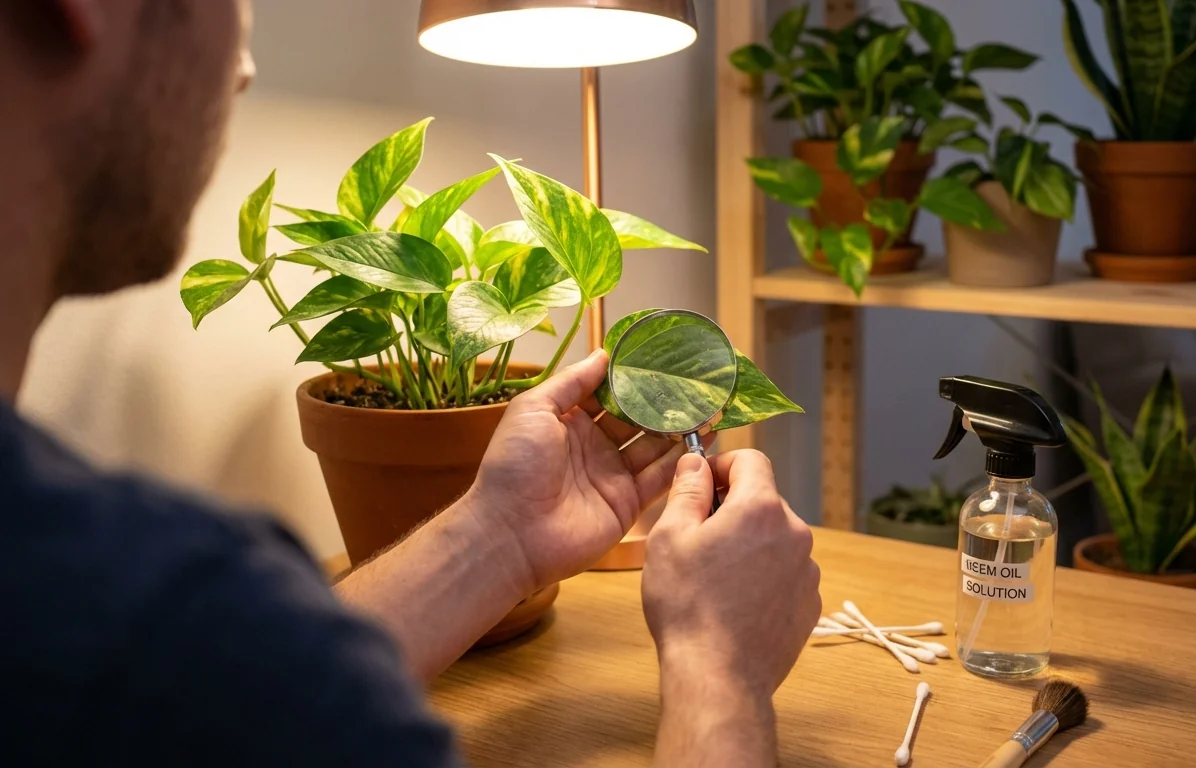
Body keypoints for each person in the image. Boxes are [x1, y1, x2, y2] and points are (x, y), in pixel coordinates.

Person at [0, 1, 822, 766]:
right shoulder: (145, 615)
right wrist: (719, 666)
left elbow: (257, 690)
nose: (245, 64)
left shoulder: (115, 620)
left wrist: (499, 537)